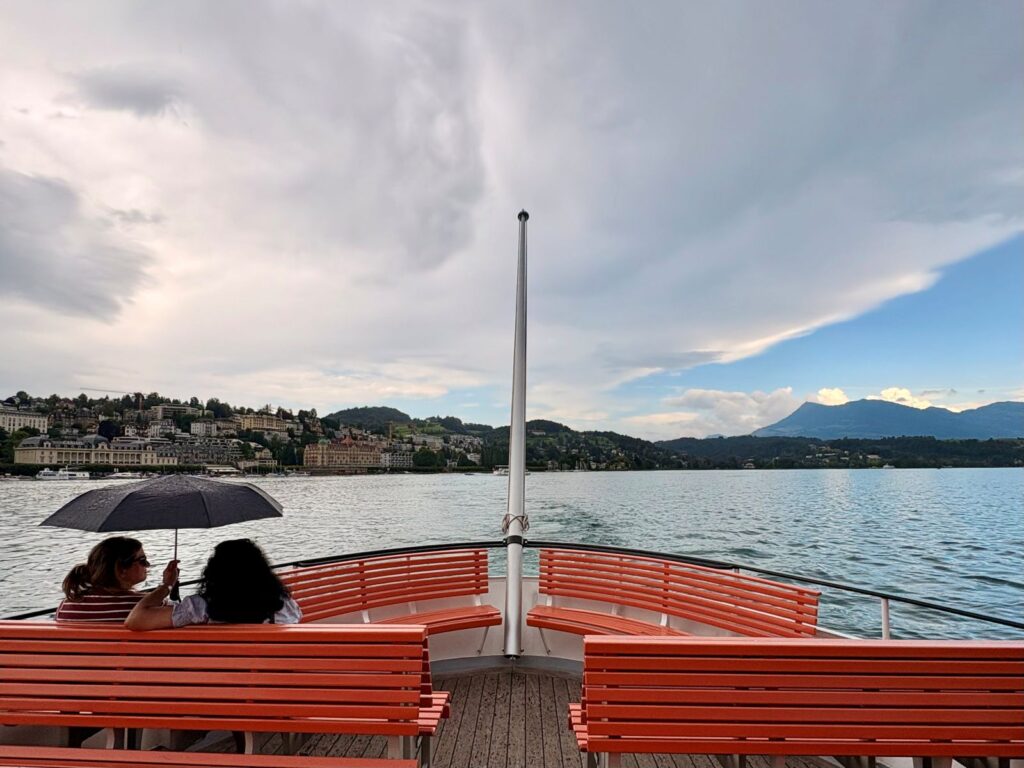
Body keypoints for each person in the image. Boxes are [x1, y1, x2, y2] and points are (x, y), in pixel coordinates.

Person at [126, 538, 300, 630]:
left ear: (214, 571)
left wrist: (166, 586)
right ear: (262, 572)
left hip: (220, 685)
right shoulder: (284, 605)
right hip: (273, 682)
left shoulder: (199, 607)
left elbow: (135, 621)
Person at [55, 536, 177, 623]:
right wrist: (167, 585)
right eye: (142, 560)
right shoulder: (144, 605)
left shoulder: (67, 605)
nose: (147, 565)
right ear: (121, 570)